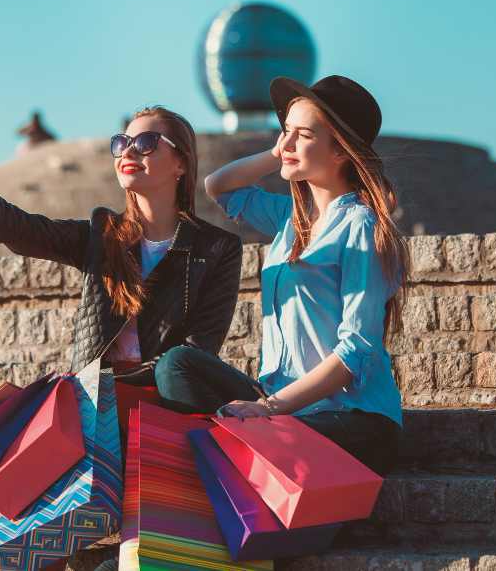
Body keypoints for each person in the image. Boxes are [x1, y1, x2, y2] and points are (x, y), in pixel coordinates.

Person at [0, 106, 243, 571]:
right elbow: (17, 230)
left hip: (156, 404)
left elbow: (197, 354)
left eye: (145, 143)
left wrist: (100, 391)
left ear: (182, 163)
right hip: (91, 403)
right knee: (22, 470)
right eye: (122, 143)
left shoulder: (216, 248)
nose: (128, 152)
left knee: (44, 445)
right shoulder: (104, 234)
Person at [155, 75, 411, 478]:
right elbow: (217, 187)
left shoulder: (360, 225)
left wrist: (268, 409)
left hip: (352, 419)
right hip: (282, 411)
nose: (287, 143)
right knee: (176, 366)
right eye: (284, 132)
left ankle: (235, 455)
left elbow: (357, 351)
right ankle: (238, 453)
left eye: (303, 135)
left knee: (264, 438)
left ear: (342, 150)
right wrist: (281, 152)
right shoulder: (290, 219)